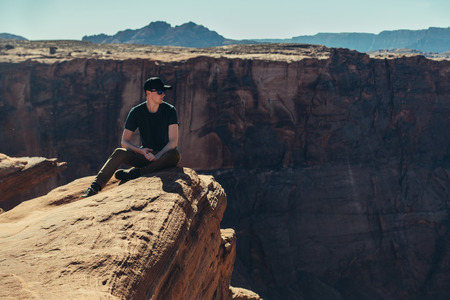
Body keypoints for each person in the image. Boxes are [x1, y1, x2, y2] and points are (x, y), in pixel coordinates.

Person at [82, 77, 180, 198]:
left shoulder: (170, 110)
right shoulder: (136, 112)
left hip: (164, 156)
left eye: (164, 91)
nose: (163, 94)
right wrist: (141, 151)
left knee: (175, 154)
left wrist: (157, 156)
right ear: (148, 93)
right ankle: (94, 187)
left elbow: (173, 142)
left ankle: (135, 173)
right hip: (145, 155)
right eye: (160, 92)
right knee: (119, 152)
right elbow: (124, 142)